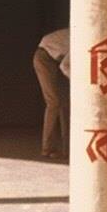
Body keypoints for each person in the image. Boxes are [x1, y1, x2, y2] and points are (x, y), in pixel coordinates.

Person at [33, 27, 71, 159]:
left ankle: (68, 150)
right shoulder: (79, 39)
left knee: (65, 104)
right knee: (53, 102)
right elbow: (65, 66)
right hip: (44, 57)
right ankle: (47, 148)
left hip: (56, 58)